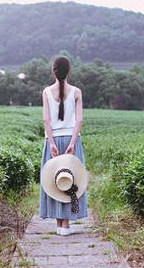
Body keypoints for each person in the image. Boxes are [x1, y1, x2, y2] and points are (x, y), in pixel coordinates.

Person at [39, 56, 88, 235]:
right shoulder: (76, 92)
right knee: (71, 180)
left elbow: (46, 119)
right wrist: (72, 143)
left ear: (53, 71)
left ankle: (59, 224)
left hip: (52, 141)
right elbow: (80, 119)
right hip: (71, 141)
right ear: (69, 71)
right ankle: (66, 224)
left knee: (54, 180)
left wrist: (51, 143)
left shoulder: (46, 92)